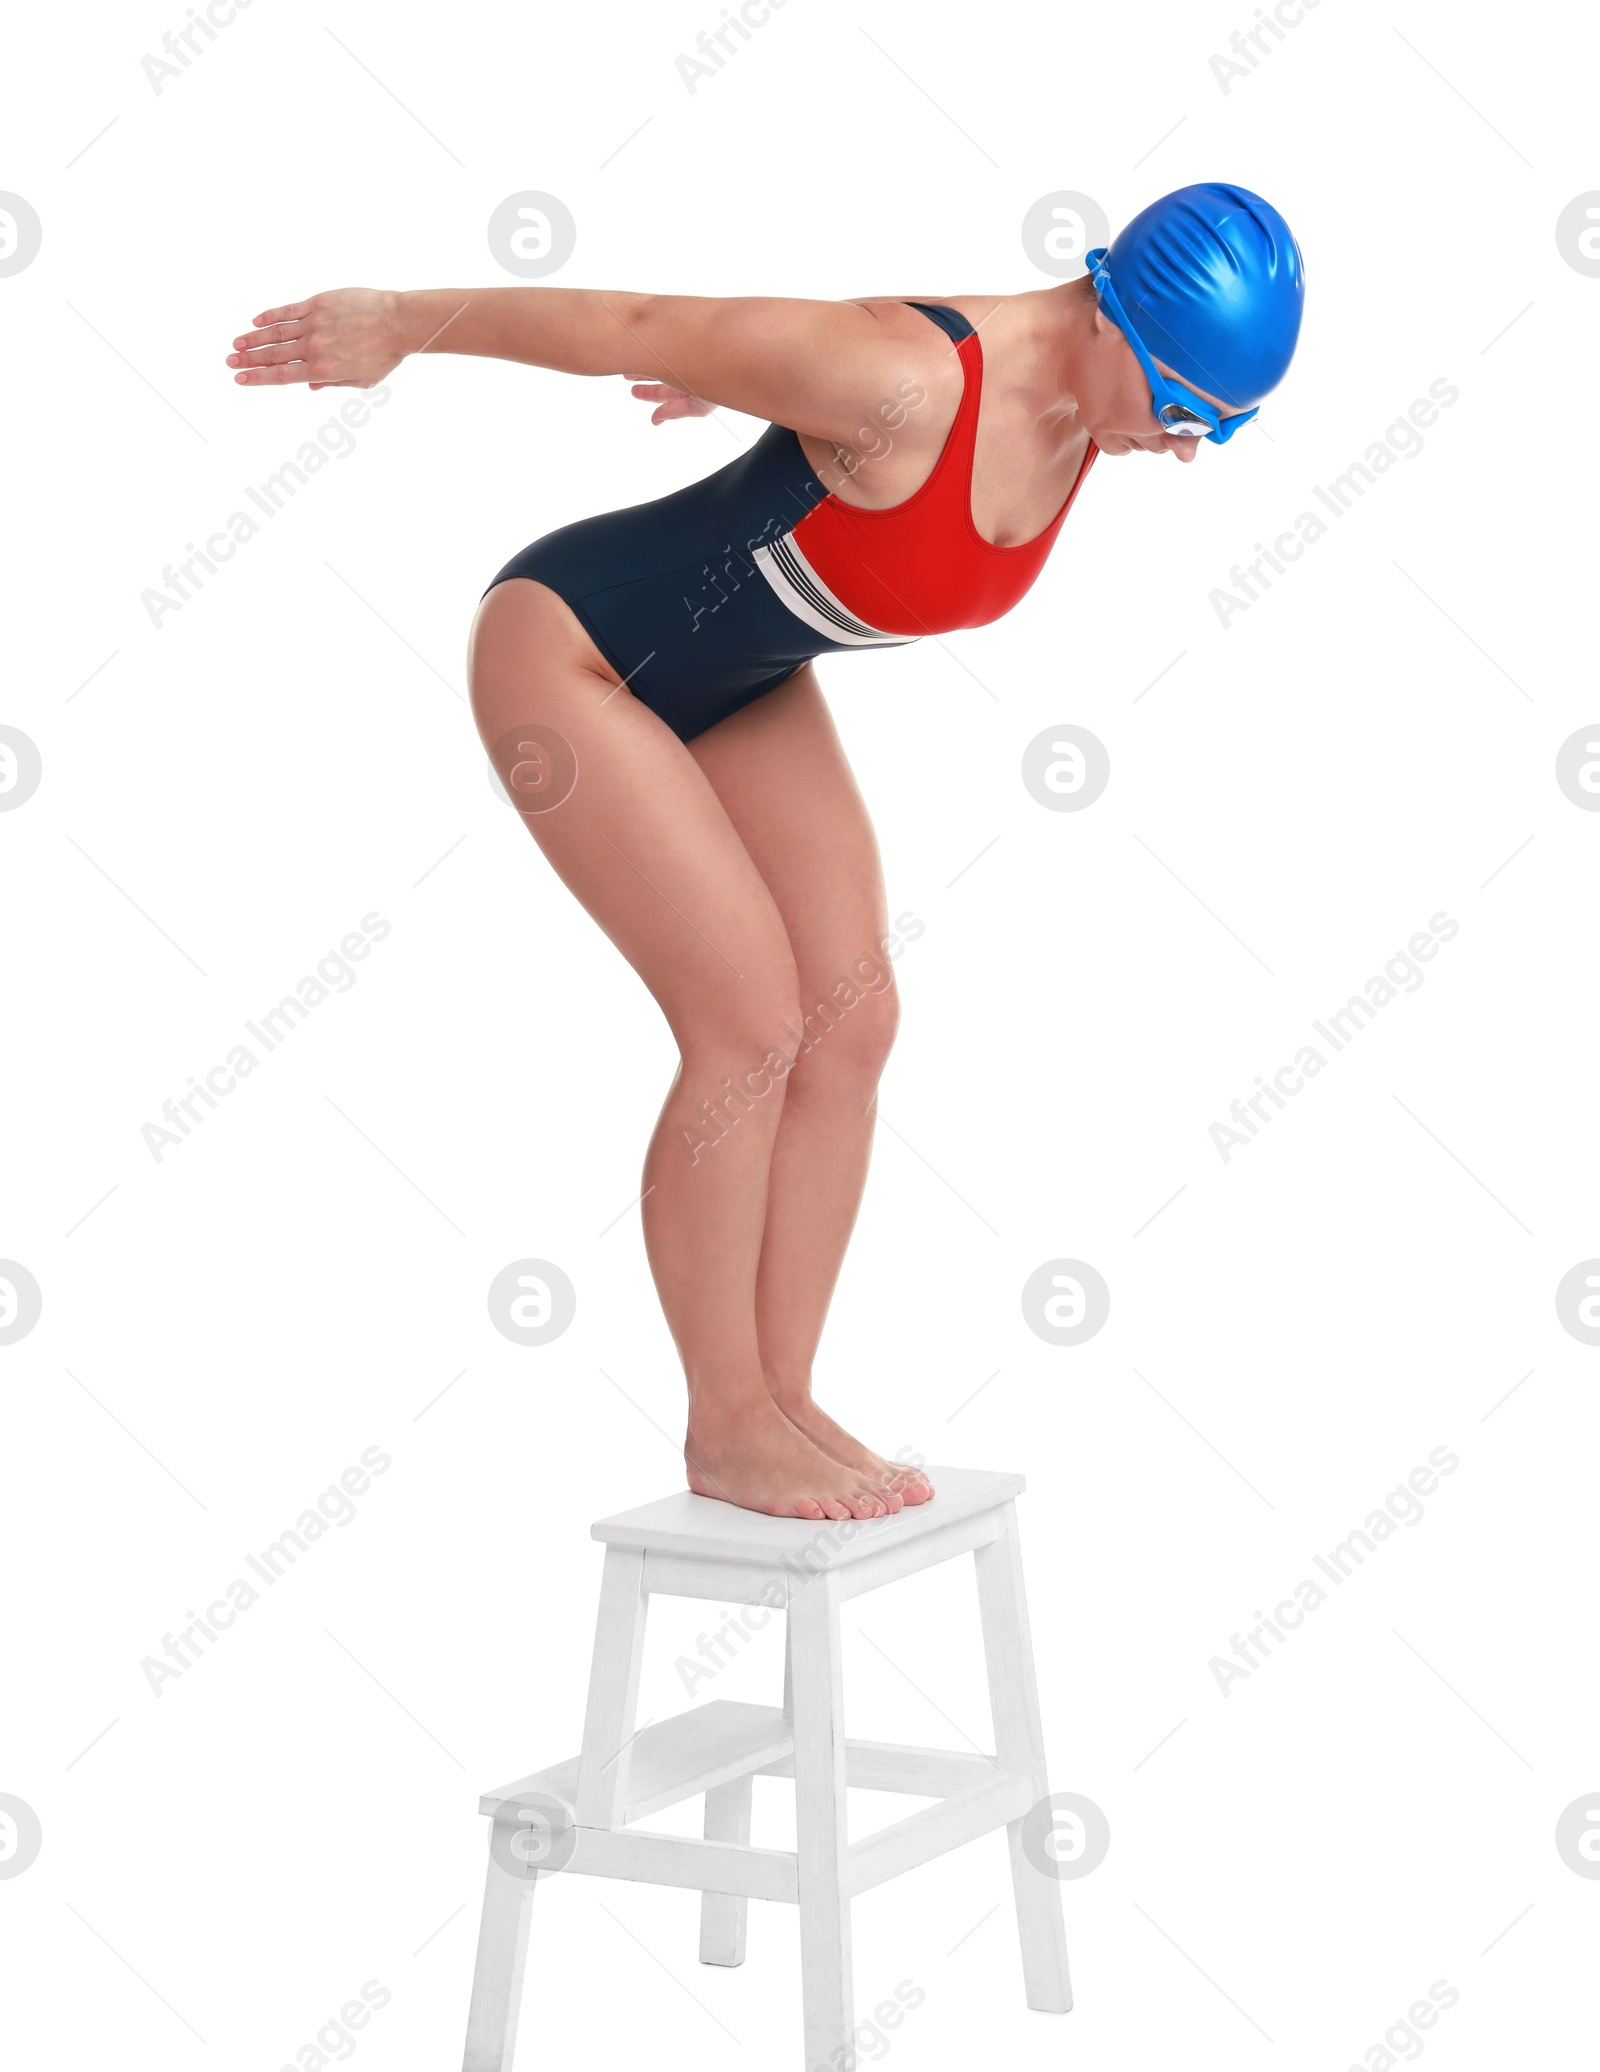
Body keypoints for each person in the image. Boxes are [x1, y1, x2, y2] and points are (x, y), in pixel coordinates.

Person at [226, 182, 1304, 1525]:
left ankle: (783, 1399)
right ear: (1113, 314)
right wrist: (398, 323)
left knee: (849, 1027)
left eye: (1220, 428)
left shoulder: (1088, 405)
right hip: (575, 654)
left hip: (741, 668)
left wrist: (749, 392)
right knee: (749, 1028)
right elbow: (632, 318)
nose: (1186, 447)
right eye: (1184, 407)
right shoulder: (904, 376)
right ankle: (723, 1424)